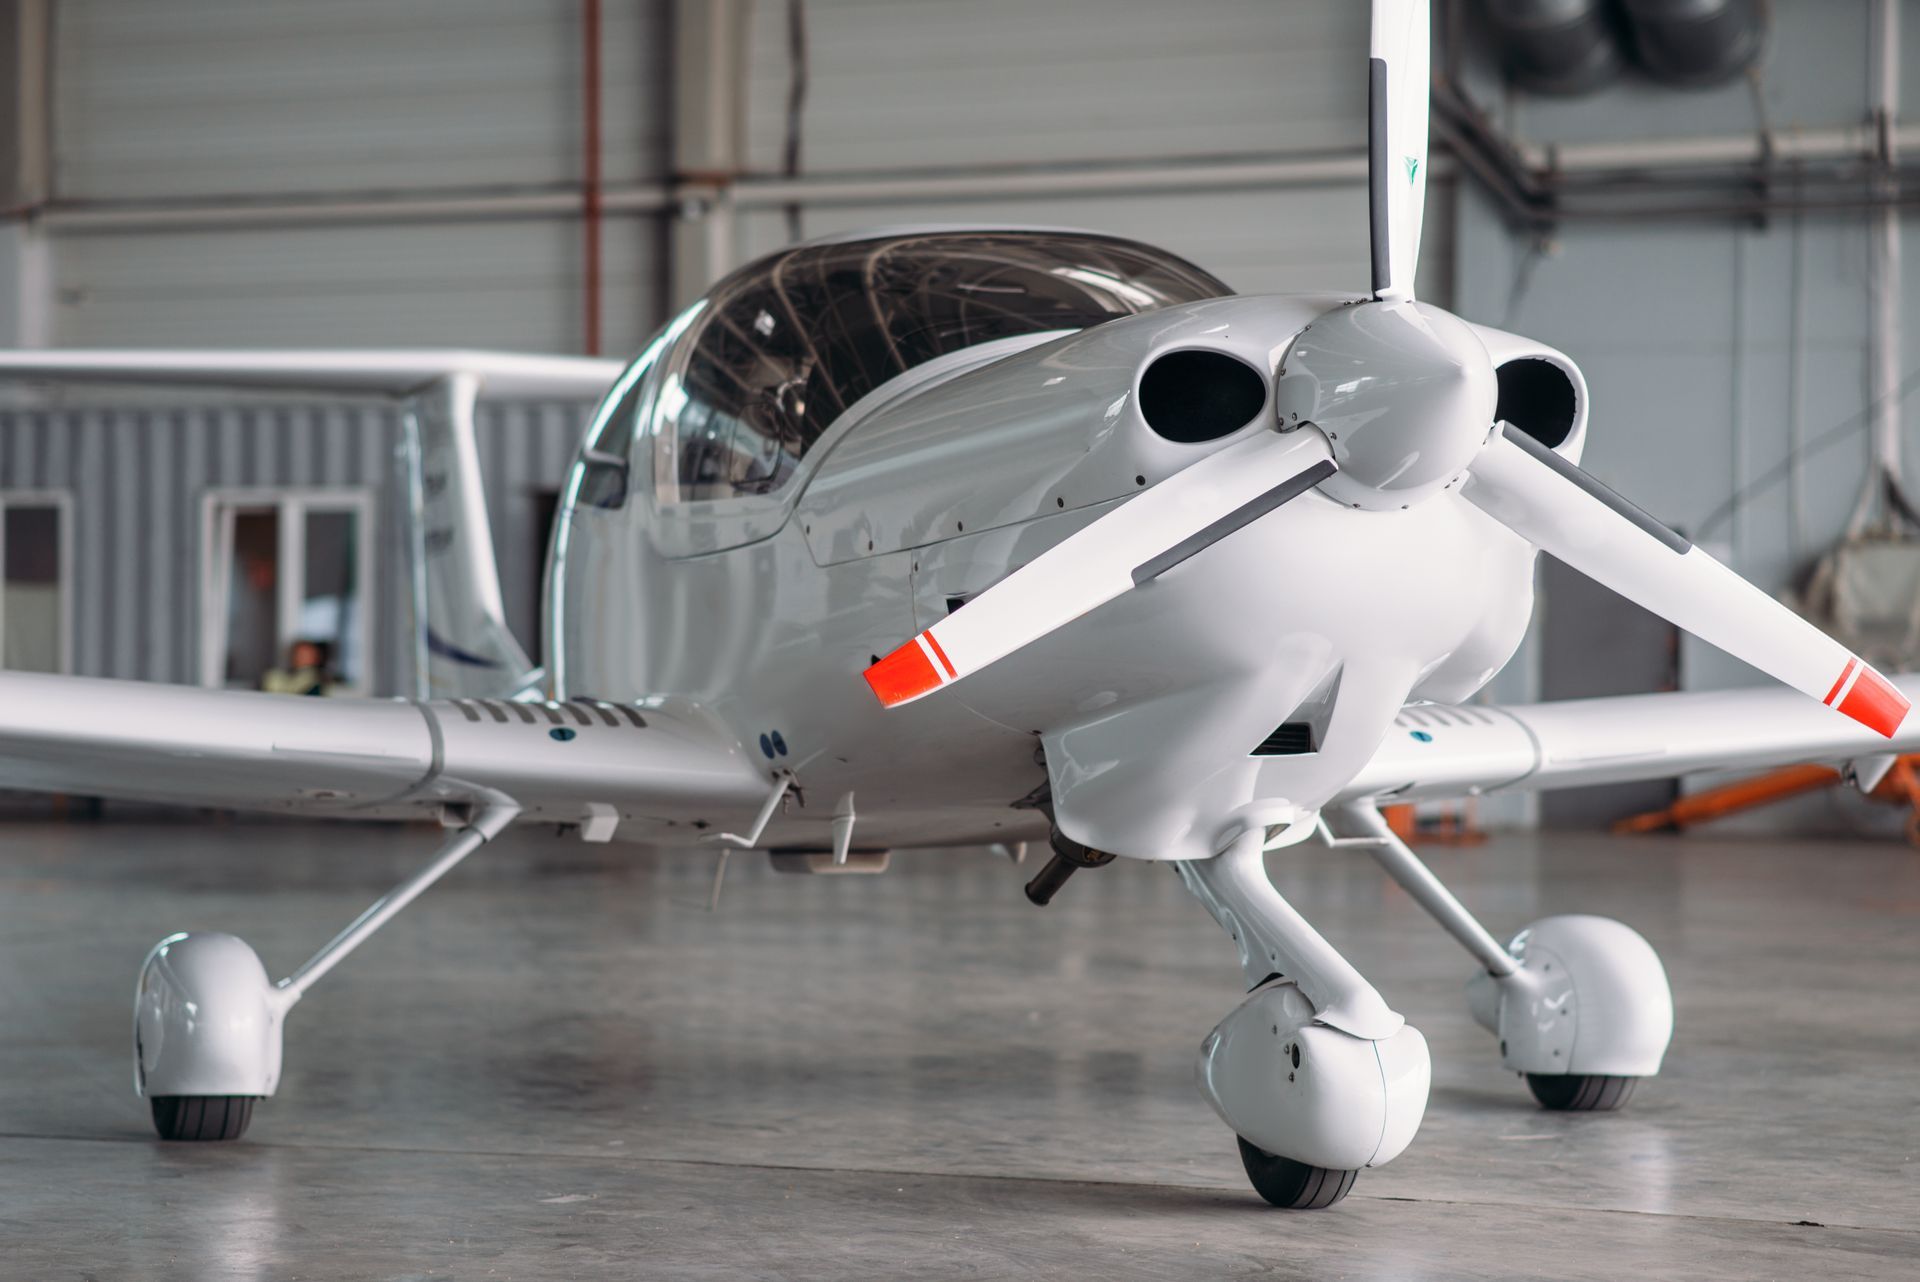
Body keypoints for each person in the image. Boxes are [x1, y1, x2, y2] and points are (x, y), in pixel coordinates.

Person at [261, 639, 339, 697]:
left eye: (306, 655)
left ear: (317, 658)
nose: (301, 658)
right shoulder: (276, 676)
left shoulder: (318, 682)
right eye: (299, 654)